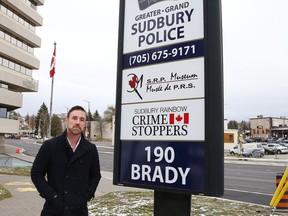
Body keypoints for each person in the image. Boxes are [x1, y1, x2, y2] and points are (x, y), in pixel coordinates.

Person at [31, 105, 101, 216]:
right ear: (67, 120)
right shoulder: (50, 146)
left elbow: (95, 175)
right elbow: (36, 173)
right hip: (54, 210)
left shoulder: (90, 149)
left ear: (84, 124)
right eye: (74, 118)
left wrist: (87, 195)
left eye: (82, 119)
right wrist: (52, 196)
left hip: (79, 210)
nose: (78, 122)